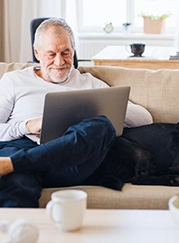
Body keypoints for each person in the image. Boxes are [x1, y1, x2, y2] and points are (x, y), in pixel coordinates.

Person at [0, 18, 152, 207]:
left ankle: (18, 164)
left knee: (102, 125)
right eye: (51, 54)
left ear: (73, 50)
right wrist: (26, 126)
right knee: (16, 188)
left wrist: (105, 104)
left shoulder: (88, 83)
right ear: (37, 52)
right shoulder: (14, 80)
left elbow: (145, 119)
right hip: (21, 146)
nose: (59, 61)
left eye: (66, 53)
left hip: (68, 160)